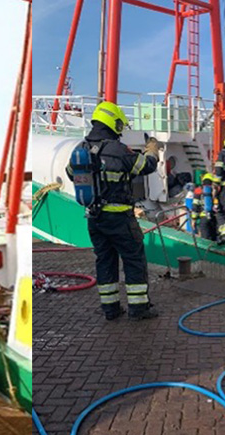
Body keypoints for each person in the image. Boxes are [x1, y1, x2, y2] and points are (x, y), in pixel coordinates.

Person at [67, 101, 159, 321]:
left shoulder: (80, 149)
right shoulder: (118, 150)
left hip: (94, 218)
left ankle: (111, 309)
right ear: (113, 122)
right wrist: (152, 151)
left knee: (105, 261)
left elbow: (71, 174)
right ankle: (139, 309)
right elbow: (145, 167)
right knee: (133, 260)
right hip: (120, 218)